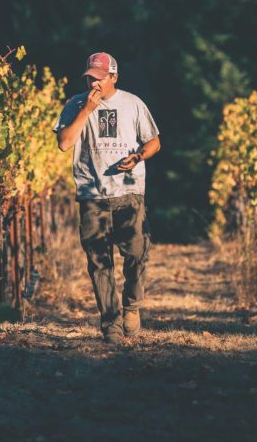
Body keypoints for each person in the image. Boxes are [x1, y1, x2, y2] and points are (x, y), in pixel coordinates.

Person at [53, 52, 161, 344]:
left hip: (128, 191)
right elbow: (64, 143)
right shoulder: (75, 104)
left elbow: (154, 142)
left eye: (99, 78)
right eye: (90, 77)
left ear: (114, 77)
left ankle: (132, 303)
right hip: (92, 194)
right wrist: (86, 110)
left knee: (137, 253)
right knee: (99, 262)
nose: (93, 83)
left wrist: (138, 157)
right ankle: (110, 324)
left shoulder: (133, 104)